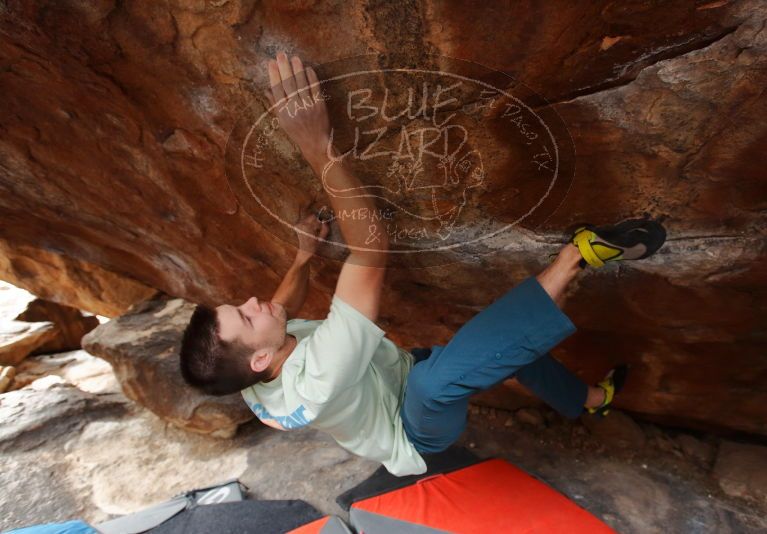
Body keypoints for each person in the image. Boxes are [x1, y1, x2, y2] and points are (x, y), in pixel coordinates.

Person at [179, 52, 666, 476]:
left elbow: (280, 305)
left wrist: (304, 257)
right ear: (260, 357)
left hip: (403, 375)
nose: (251, 301)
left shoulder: (250, 376)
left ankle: (591, 402)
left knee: (495, 350)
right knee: (440, 381)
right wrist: (316, 146)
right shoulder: (320, 374)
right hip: (415, 430)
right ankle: (575, 256)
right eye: (244, 314)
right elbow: (371, 252)